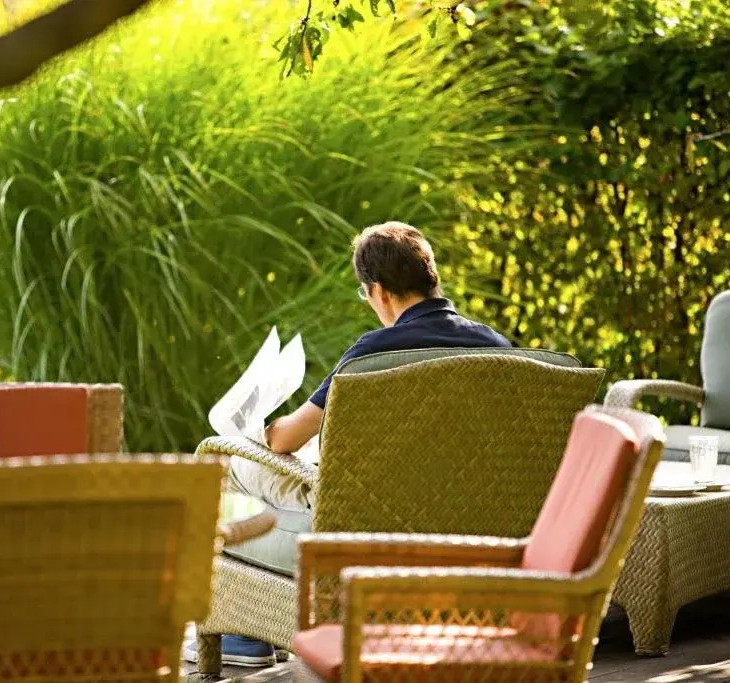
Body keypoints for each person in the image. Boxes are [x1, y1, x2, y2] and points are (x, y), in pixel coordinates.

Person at [185, 221, 512, 668]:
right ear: (430, 276)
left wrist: (261, 428)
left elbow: (285, 439)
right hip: (470, 533)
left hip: (358, 528)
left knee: (223, 460)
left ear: (379, 291)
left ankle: (244, 631)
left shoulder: (374, 353)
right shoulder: (498, 347)